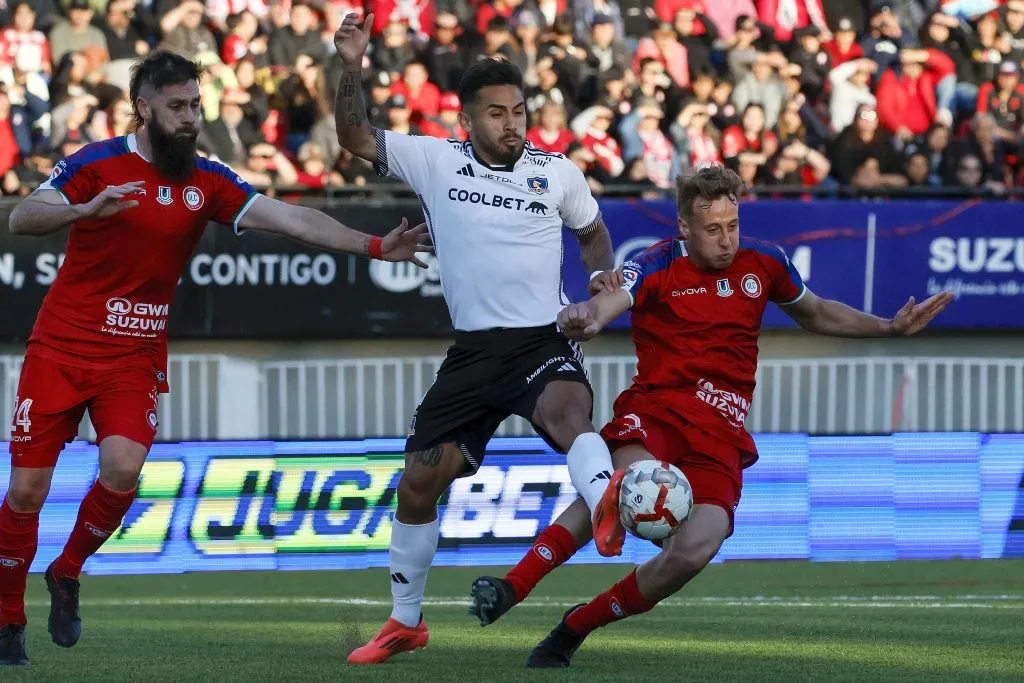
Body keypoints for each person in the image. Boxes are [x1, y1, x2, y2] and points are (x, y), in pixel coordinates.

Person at [0, 49, 429, 667]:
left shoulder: (205, 179)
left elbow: (290, 217)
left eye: (195, 106)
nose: (190, 118)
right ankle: (9, 621)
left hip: (134, 354)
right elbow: (22, 215)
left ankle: (66, 572)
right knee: (25, 490)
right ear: (143, 108)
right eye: (177, 106)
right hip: (61, 348)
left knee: (122, 469)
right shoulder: (95, 164)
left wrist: (373, 245)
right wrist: (81, 209)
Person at [468, 164, 954, 668]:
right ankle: (512, 586)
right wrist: (587, 319)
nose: (726, 240)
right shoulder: (657, 263)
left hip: (721, 434)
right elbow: (611, 302)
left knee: (695, 549)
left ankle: (575, 626)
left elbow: (817, 312)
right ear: (685, 227)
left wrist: (888, 328)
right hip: (656, 413)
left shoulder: (764, 262)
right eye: (713, 229)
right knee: (623, 484)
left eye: (732, 226)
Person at [332, 12, 622, 665]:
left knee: (567, 411)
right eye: (496, 113)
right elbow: (353, 135)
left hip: (542, 338)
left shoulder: (556, 171)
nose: (512, 123)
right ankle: (406, 622)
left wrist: (600, 278)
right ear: (467, 120)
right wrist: (351, 64)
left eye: (518, 110)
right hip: (473, 353)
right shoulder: (436, 160)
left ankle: (607, 502)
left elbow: (593, 230)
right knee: (417, 484)